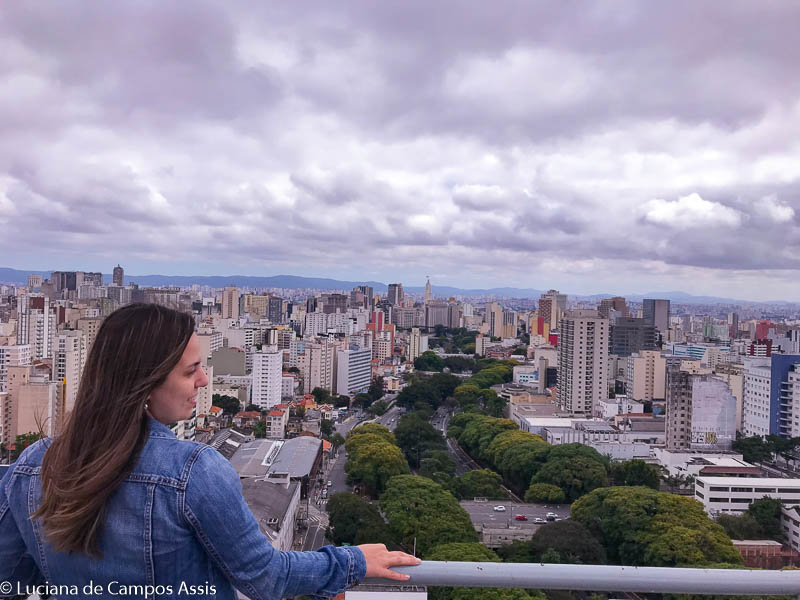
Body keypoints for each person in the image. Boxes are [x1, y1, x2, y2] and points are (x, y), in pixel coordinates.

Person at [0, 303, 419, 599]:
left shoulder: (31, 465)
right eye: (190, 371)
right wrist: (352, 561)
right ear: (143, 384)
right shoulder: (192, 472)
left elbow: (11, 579)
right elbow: (267, 578)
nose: (204, 381)